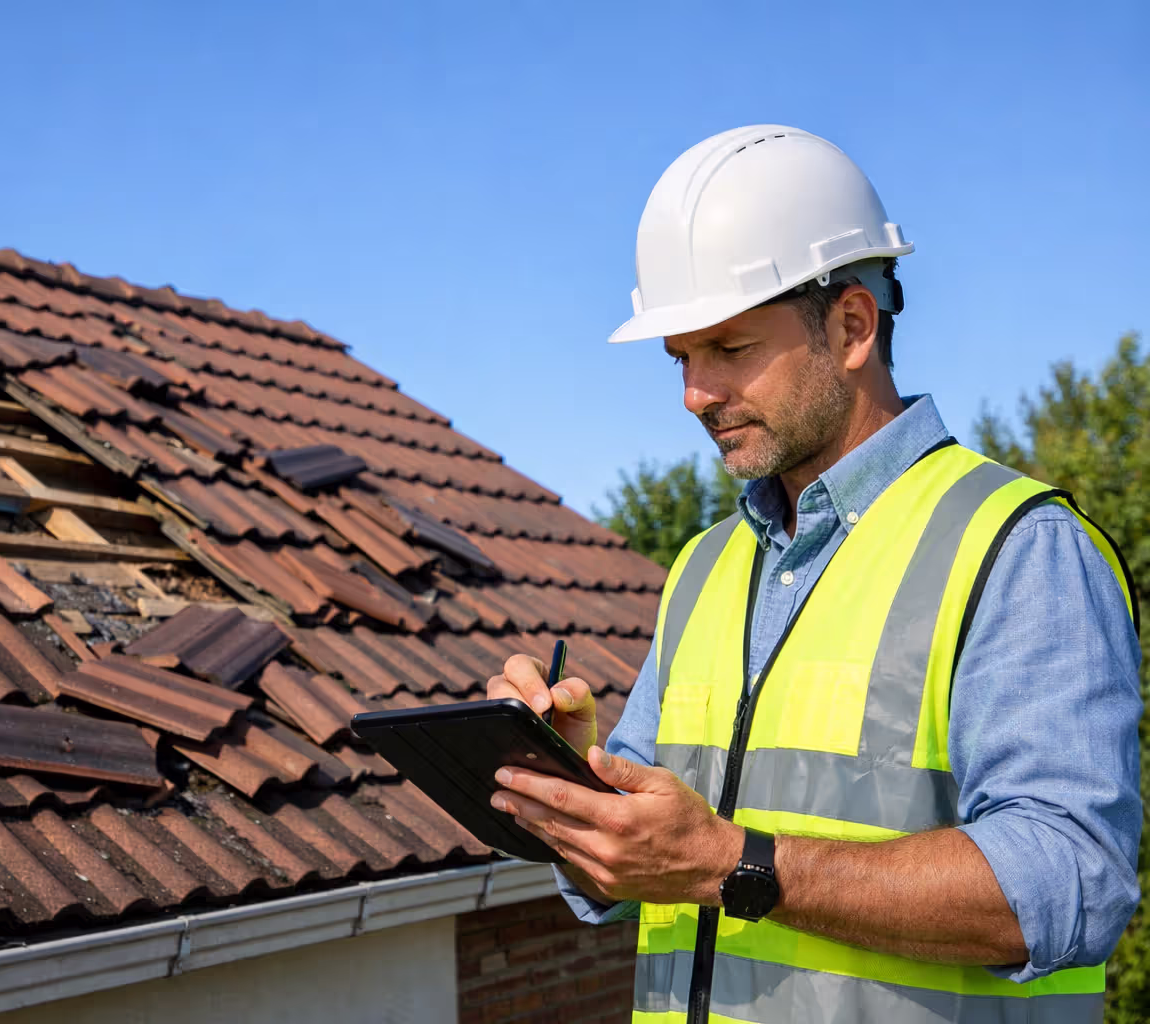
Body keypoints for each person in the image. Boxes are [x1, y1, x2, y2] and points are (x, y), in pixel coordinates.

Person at [487, 125, 1142, 1023]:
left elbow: (1072, 880)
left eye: (728, 347)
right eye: (681, 357)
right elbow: (640, 866)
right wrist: (573, 781)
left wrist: (730, 864)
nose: (693, 394)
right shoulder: (705, 567)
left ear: (850, 327)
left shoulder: (1017, 544)